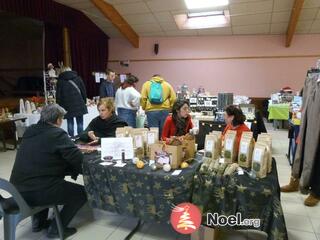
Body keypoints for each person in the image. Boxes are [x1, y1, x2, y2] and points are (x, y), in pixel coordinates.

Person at [10, 104, 86, 239]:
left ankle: (38, 223)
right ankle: (56, 229)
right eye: (62, 118)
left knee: (42, 177)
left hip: (17, 189)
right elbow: (78, 158)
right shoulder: (56, 133)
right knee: (81, 194)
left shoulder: (30, 130)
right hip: (38, 190)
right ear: (58, 120)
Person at [56, 67, 87, 137]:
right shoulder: (78, 78)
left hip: (67, 105)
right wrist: (84, 101)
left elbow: (58, 95)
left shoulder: (60, 81)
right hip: (79, 104)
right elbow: (83, 91)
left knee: (70, 123)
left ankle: (71, 139)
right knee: (80, 123)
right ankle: (80, 138)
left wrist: (59, 105)